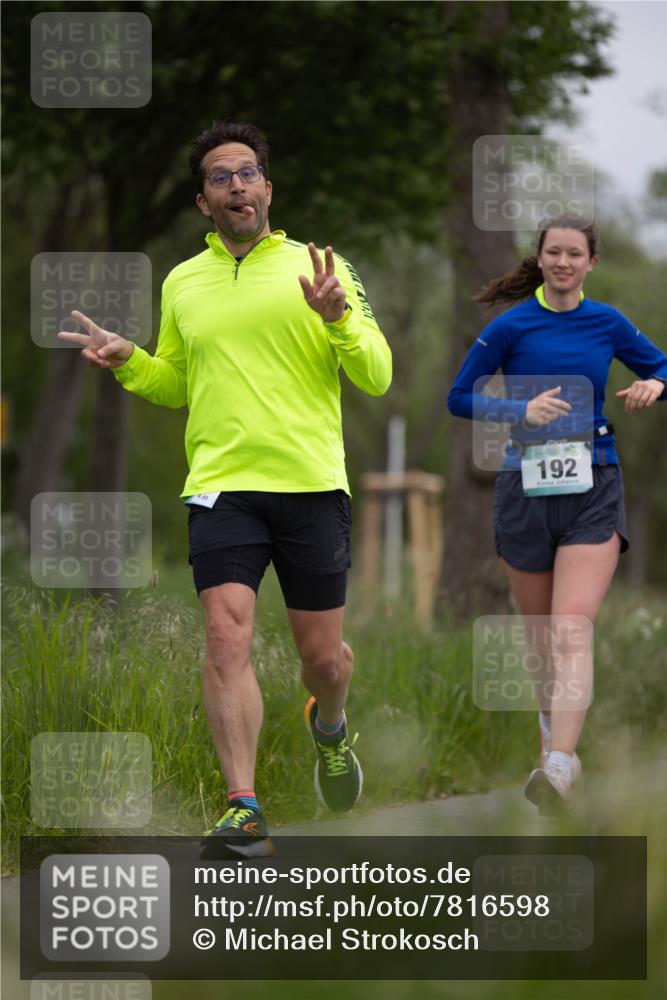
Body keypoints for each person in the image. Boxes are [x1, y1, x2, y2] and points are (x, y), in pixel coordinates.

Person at [58, 121, 392, 856]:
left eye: (247, 173)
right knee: (223, 633)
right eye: (220, 176)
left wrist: (338, 319)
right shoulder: (183, 281)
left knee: (322, 658)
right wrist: (129, 361)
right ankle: (243, 807)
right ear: (204, 201)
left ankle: (328, 727)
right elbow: (177, 384)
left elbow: (375, 373)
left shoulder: (320, 266)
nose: (236, 184)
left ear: (268, 189)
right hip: (221, 486)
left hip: (309, 484)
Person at [447, 214, 667, 815]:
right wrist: (520, 407)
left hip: (594, 484)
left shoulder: (608, 323)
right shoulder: (509, 327)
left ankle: (562, 766)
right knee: (542, 638)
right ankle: (553, 743)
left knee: (572, 629)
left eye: (575, 253)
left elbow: (662, 367)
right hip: (524, 486)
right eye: (555, 253)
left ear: (591, 262)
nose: (565, 262)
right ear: (540, 260)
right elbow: (458, 396)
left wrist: (655, 386)